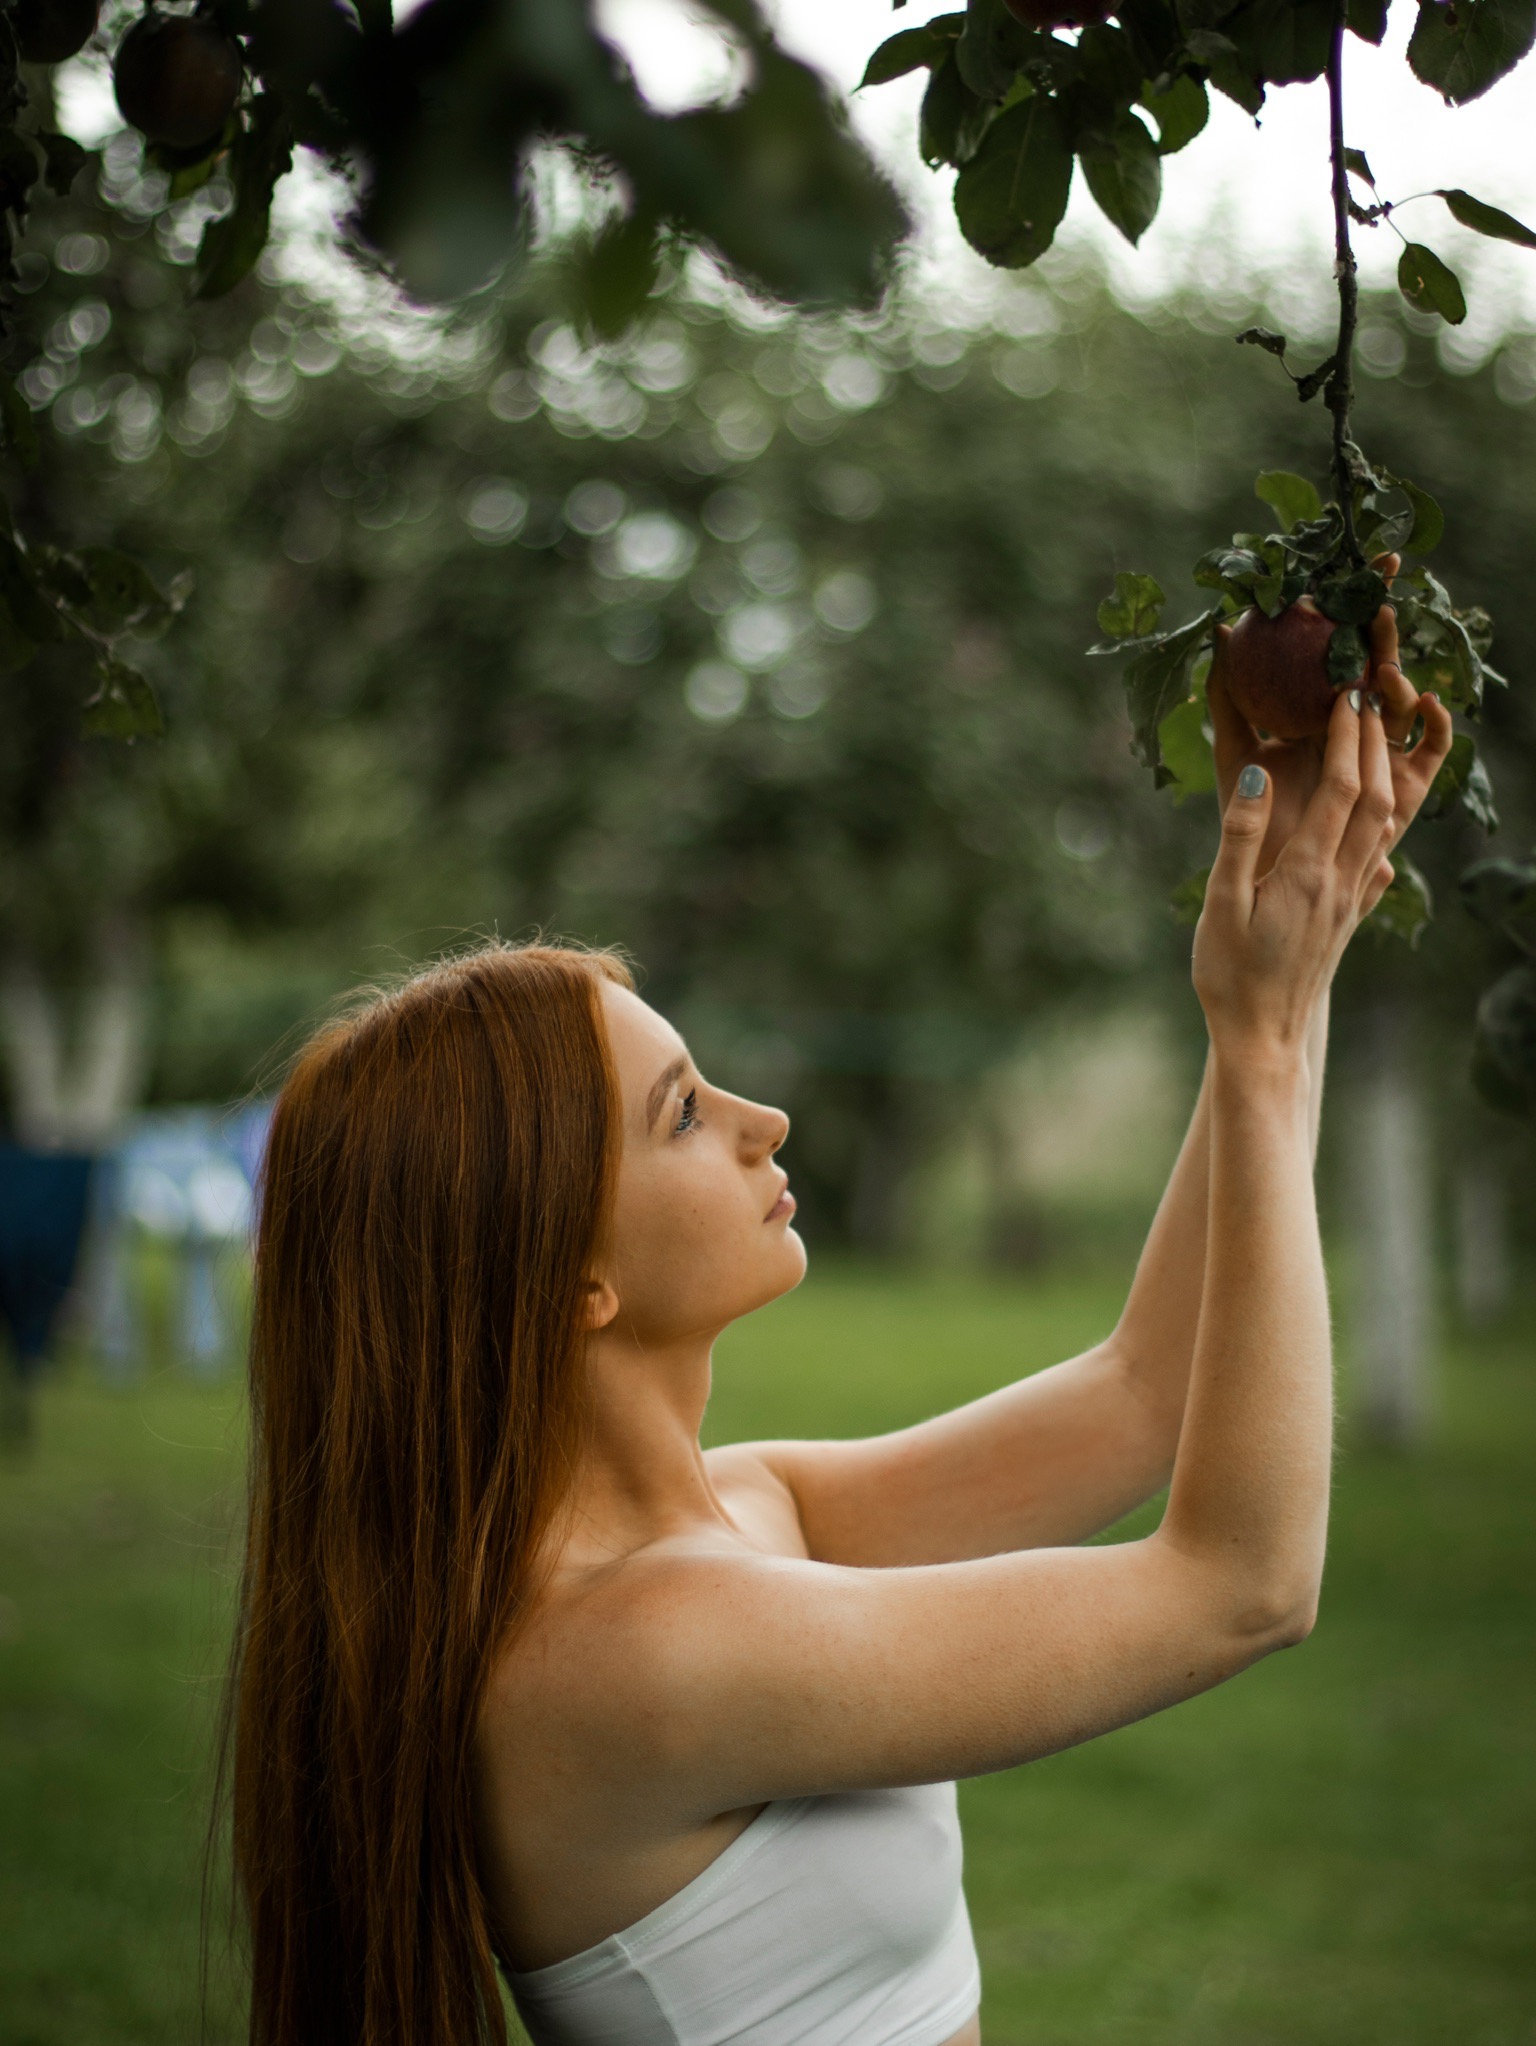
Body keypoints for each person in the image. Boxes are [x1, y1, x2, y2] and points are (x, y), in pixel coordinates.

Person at [222, 589, 1453, 2046]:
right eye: (684, 1111)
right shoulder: (641, 1651)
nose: (762, 1119)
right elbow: (1240, 1584)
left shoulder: (746, 1518)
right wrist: (1256, 1036)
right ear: (569, 1276)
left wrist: (1292, 954)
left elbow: (1147, 1391)